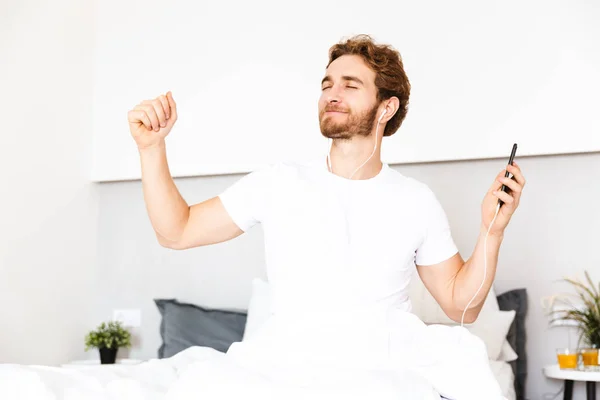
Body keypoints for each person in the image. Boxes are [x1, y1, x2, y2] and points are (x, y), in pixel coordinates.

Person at [128, 34, 526, 399]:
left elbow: (463, 306)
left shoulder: (415, 201)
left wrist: (493, 231)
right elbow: (176, 232)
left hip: (383, 367)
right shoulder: (279, 181)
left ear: (387, 107)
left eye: (350, 85)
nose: (332, 94)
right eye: (326, 84)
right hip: (286, 364)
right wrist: (151, 149)